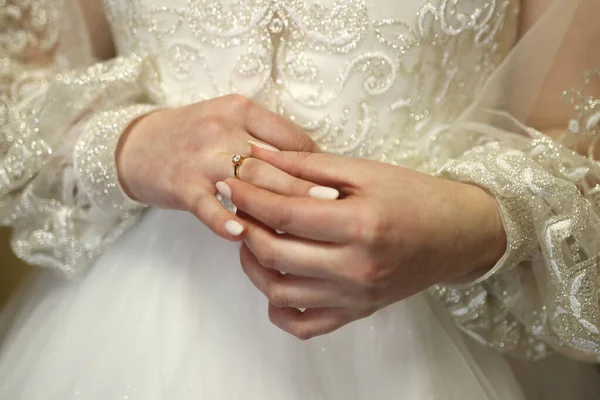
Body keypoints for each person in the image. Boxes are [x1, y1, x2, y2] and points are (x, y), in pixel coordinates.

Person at [1, 0, 600, 398]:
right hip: (122, 329)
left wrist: (472, 222)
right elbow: (17, 95)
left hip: (426, 336)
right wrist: (129, 146)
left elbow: (580, 140)